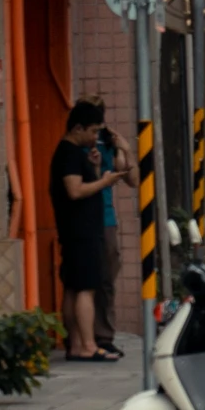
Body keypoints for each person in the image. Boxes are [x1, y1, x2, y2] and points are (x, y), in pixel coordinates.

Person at [52, 100, 132, 361]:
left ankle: (75, 344)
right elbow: (75, 191)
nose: (96, 137)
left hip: (78, 228)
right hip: (82, 230)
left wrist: (96, 169)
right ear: (77, 128)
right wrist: (105, 181)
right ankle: (87, 345)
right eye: (93, 131)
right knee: (86, 289)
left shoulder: (73, 153)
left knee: (74, 288)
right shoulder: (70, 154)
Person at [82, 96, 125, 360]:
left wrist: (124, 149)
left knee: (107, 279)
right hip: (88, 218)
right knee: (87, 282)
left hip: (107, 217)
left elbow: (127, 175)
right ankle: (88, 337)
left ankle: (105, 335)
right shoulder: (77, 147)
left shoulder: (108, 142)